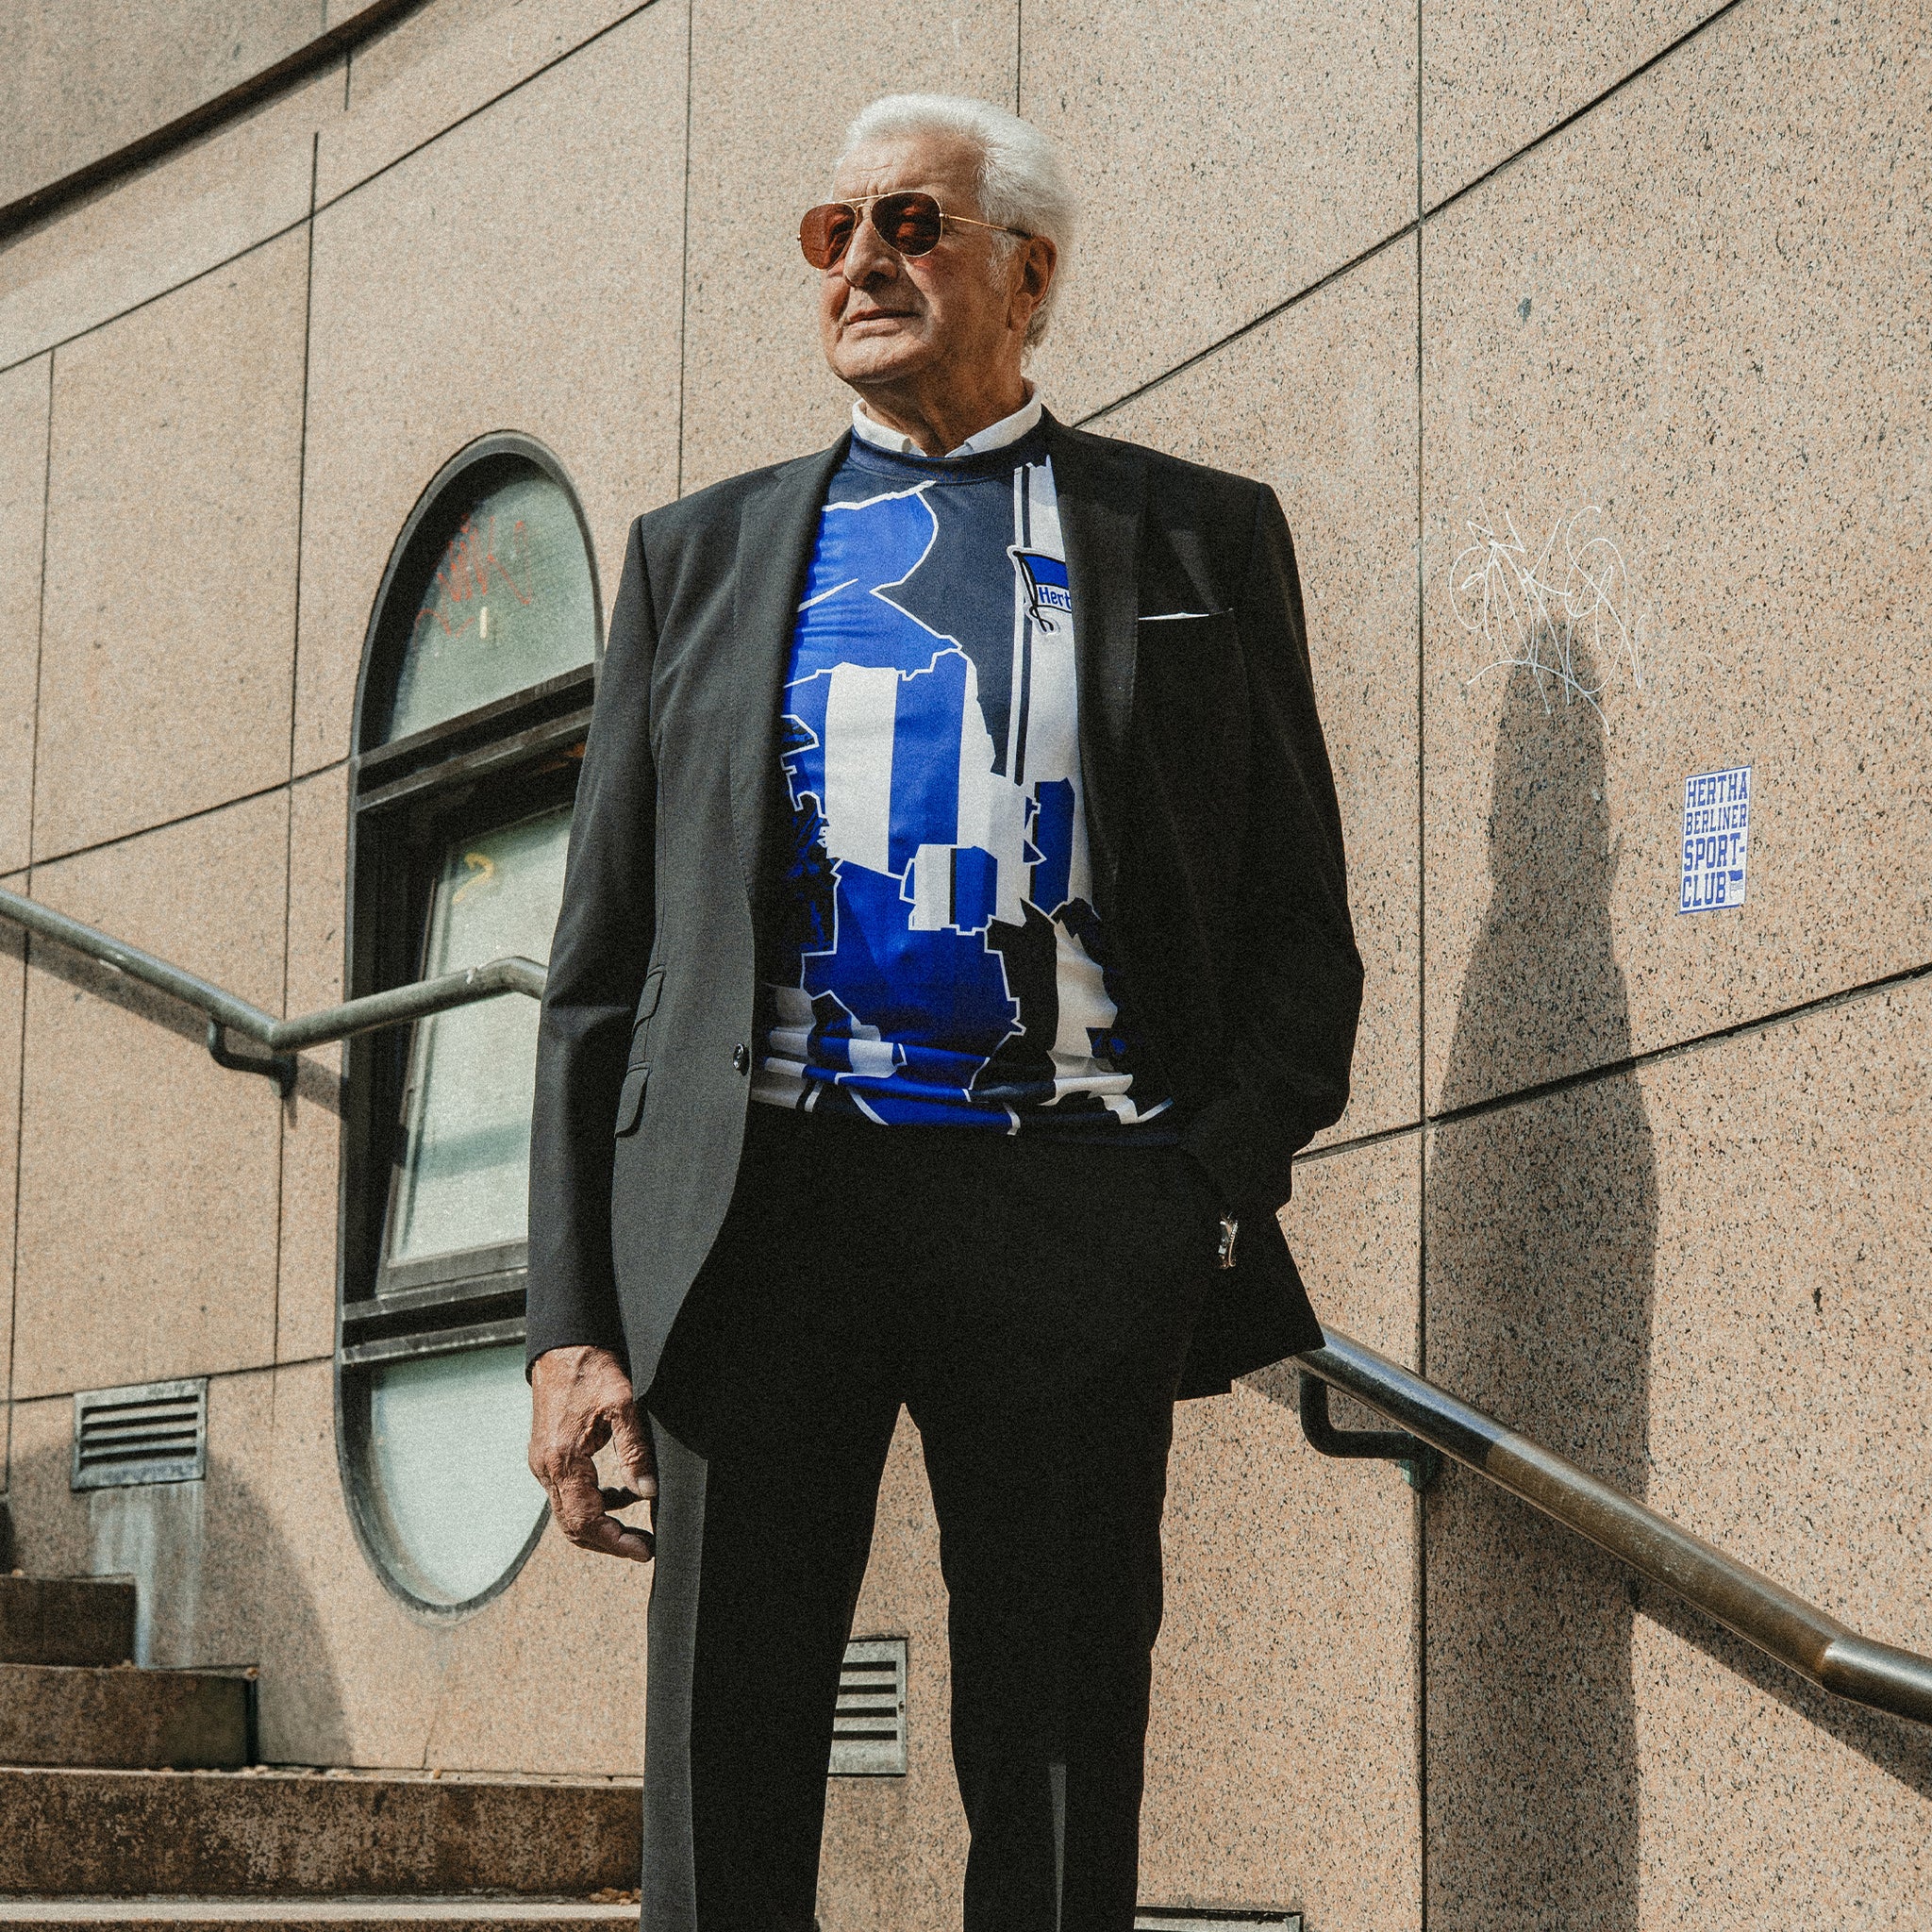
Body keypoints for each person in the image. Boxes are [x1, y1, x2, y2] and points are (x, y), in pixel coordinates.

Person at [525, 92, 1362, 1932]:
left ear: (1028, 273)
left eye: (910, 223)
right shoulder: (696, 560)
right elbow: (596, 976)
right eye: (831, 232)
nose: (861, 263)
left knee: (1058, 1769)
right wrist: (572, 1323)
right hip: (761, 1212)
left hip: (1074, 1207)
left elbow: (1304, 936)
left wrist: (1192, 1186)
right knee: (724, 1768)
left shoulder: (1198, 537)